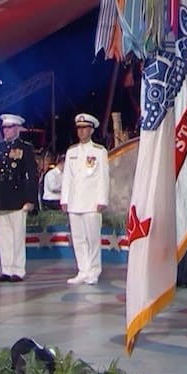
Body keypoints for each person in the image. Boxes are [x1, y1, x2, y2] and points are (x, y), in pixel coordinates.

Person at [61, 113, 109, 285]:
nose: (81, 131)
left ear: (91, 130)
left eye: (84, 128)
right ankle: (83, 270)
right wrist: (64, 199)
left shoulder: (99, 151)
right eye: (79, 128)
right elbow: (67, 177)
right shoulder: (71, 151)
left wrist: (102, 199)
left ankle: (94, 271)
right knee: (78, 238)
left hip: (91, 202)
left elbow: (103, 177)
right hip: (75, 201)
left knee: (93, 239)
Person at [0, 113, 38, 283]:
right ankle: (6, 269)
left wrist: (31, 199)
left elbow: (32, 175)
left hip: (19, 198)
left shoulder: (25, 148)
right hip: (2, 198)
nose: (6, 130)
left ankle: (18, 270)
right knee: (4, 236)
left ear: (17, 128)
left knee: (18, 236)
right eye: (4, 127)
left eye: (9, 127)